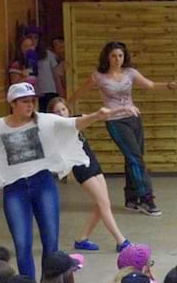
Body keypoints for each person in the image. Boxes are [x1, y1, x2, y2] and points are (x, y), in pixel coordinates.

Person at [0, 83, 116, 279]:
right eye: (24, 101)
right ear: (12, 103)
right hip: (15, 190)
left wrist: (97, 116)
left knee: (51, 243)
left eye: (32, 101)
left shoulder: (44, 121)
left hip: (43, 184)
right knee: (22, 244)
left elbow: (73, 123)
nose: (30, 105)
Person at [71, 41, 177, 216]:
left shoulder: (130, 73)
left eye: (120, 55)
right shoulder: (98, 76)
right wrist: (64, 105)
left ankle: (131, 198)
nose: (117, 59)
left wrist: (170, 85)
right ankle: (147, 199)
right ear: (107, 57)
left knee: (133, 158)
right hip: (116, 121)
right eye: (113, 56)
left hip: (133, 118)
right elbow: (79, 92)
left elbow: (151, 85)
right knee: (135, 158)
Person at [48, 97, 131, 252]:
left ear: (68, 109)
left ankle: (82, 239)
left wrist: (122, 109)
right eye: (57, 112)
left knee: (102, 205)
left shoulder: (75, 120)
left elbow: (99, 115)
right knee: (103, 204)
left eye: (63, 109)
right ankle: (121, 241)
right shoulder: (58, 127)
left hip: (92, 162)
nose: (61, 113)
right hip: (82, 168)